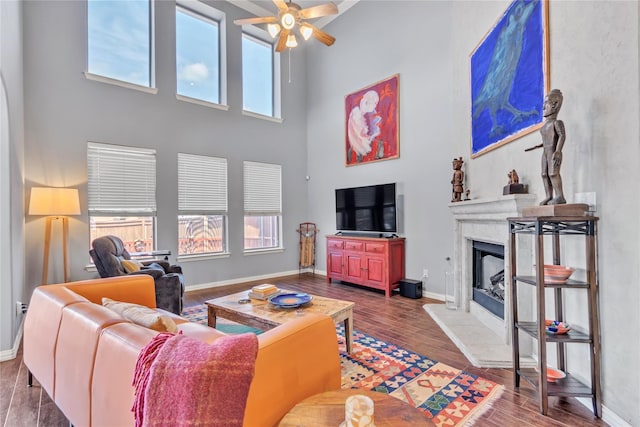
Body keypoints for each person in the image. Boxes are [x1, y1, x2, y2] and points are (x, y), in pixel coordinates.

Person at [538, 89, 566, 205]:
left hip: (553, 152)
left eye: (546, 103)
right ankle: (549, 196)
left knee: (553, 173)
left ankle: (560, 196)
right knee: (544, 174)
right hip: (545, 152)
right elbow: (548, 139)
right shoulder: (544, 126)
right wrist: (540, 145)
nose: (543, 107)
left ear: (555, 105)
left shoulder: (557, 123)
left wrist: (558, 151)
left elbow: (562, 136)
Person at [347, 90, 381, 162]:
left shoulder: (371, 115)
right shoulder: (356, 115)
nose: (375, 105)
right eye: (374, 102)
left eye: (376, 103)